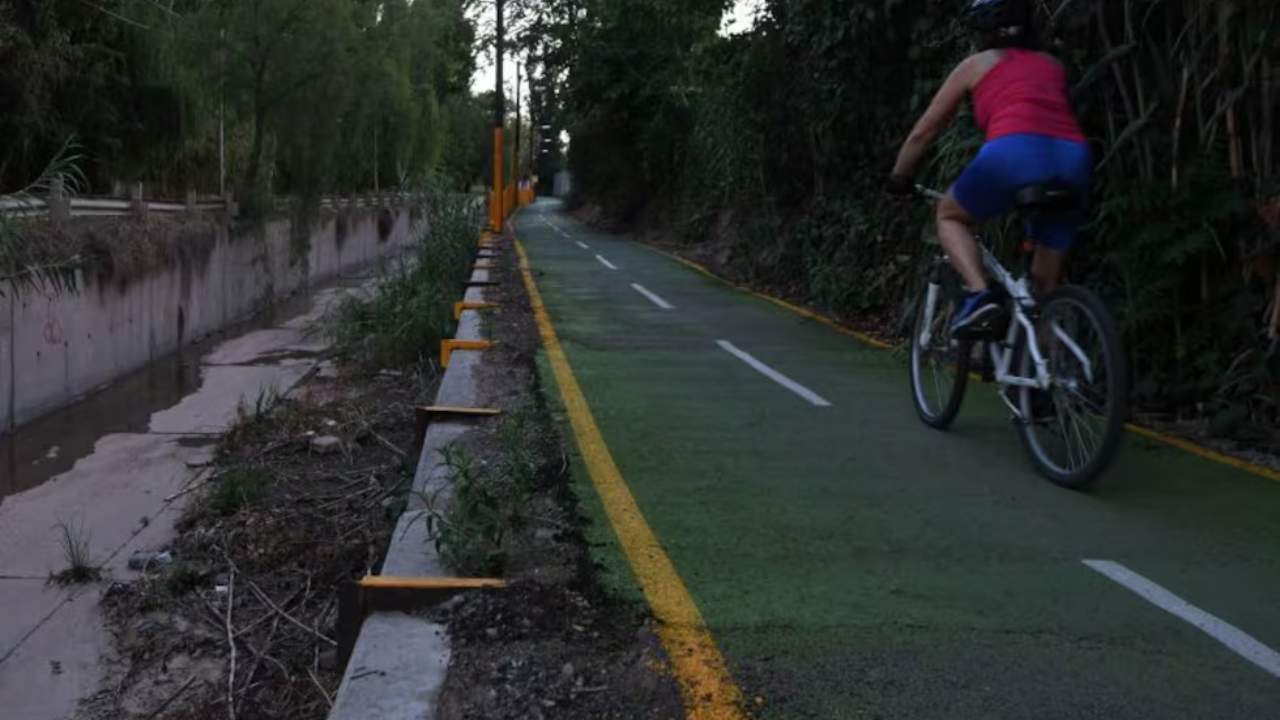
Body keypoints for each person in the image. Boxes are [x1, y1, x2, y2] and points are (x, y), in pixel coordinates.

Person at [886, 0, 1093, 338]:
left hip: (1014, 152)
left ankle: (981, 295)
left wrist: (898, 177)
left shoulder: (974, 65)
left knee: (949, 215)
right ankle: (1046, 378)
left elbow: (925, 132)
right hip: (1074, 159)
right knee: (1041, 295)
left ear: (980, 32)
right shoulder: (1051, 64)